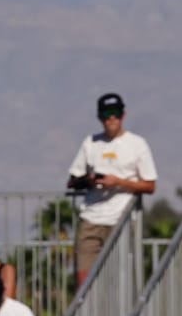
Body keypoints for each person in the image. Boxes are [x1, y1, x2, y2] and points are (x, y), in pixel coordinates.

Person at [67, 92, 157, 286]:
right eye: (106, 115)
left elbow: (149, 185)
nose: (111, 119)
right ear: (100, 118)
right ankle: (88, 315)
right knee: (84, 282)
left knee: (121, 281)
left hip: (121, 219)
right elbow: (73, 180)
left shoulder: (137, 144)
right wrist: (90, 181)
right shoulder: (90, 143)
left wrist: (118, 182)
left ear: (123, 115)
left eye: (115, 113)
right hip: (91, 218)